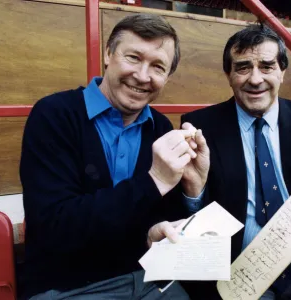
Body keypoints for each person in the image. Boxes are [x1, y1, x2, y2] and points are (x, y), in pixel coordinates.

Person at [20, 13, 210, 300]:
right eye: (133, 57)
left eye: (158, 67)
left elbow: (158, 218)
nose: (143, 76)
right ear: (108, 54)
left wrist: (192, 191)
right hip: (66, 286)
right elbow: (55, 226)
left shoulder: (159, 128)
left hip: (146, 279)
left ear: (167, 77)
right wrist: (154, 180)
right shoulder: (54, 114)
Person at [148, 24, 291, 300]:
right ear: (228, 75)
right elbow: (186, 218)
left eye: (266, 66)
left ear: (282, 71)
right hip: (239, 276)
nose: (255, 79)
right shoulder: (201, 127)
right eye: (242, 68)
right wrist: (195, 190)